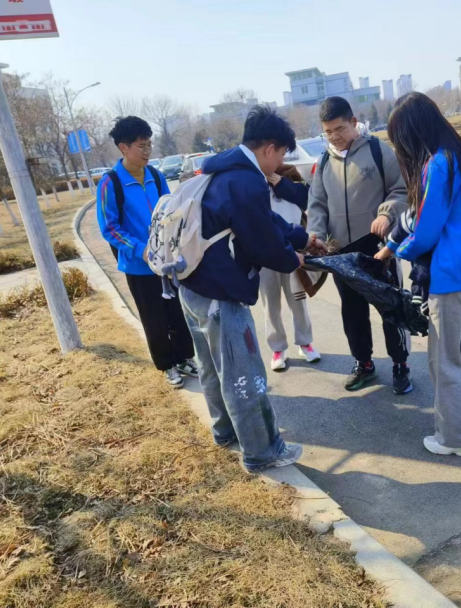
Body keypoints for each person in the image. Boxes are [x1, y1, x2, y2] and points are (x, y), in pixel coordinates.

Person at [179, 105, 324, 473]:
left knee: (212, 369)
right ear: (270, 148)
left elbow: (266, 220)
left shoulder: (223, 170)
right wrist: (294, 258)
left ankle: (225, 432)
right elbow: (263, 243)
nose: (281, 163)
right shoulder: (247, 181)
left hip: (192, 286)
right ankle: (262, 452)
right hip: (221, 295)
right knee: (243, 375)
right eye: (282, 154)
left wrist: (302, 238)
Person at [378, 92, 461, 458]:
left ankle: (455, 439)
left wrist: (399, 251)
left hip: (449, 278)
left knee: (445, 363)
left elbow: (426, 230)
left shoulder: (437, 165)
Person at [308, 96, 412, 394]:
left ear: (354, 123)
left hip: (377, 248)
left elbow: (401, 190)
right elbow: (317, 204)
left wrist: (386, 214)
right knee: (352, 312)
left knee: (391, 308)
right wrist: (315, 235)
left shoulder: (379, 151)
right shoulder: (324, 161)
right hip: (341, 251)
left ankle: (401, 364)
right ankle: (363, 363)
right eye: (328, 132)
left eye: (339, 129)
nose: (334, 136)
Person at [97, 116, 197, 388]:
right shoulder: (110, 183)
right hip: (139, 266)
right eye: (141, 146)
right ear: (123, 147)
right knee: (154, 318)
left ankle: (184, 358)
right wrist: (141, 250)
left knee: (177, 313)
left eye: (149, 144)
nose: (147, 151)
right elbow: (110, 228)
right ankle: (167, 365)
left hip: (167, 261)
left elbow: (170, 208)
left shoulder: (155, 175)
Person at [261, 164, 321, 371]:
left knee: (298, 298)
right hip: (265, 252)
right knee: (270, 303)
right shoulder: (252, 178)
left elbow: (308, 199)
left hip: (294, 248)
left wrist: (282, 184)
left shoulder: (291, 174)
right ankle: (277, 348)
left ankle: (305, 342)